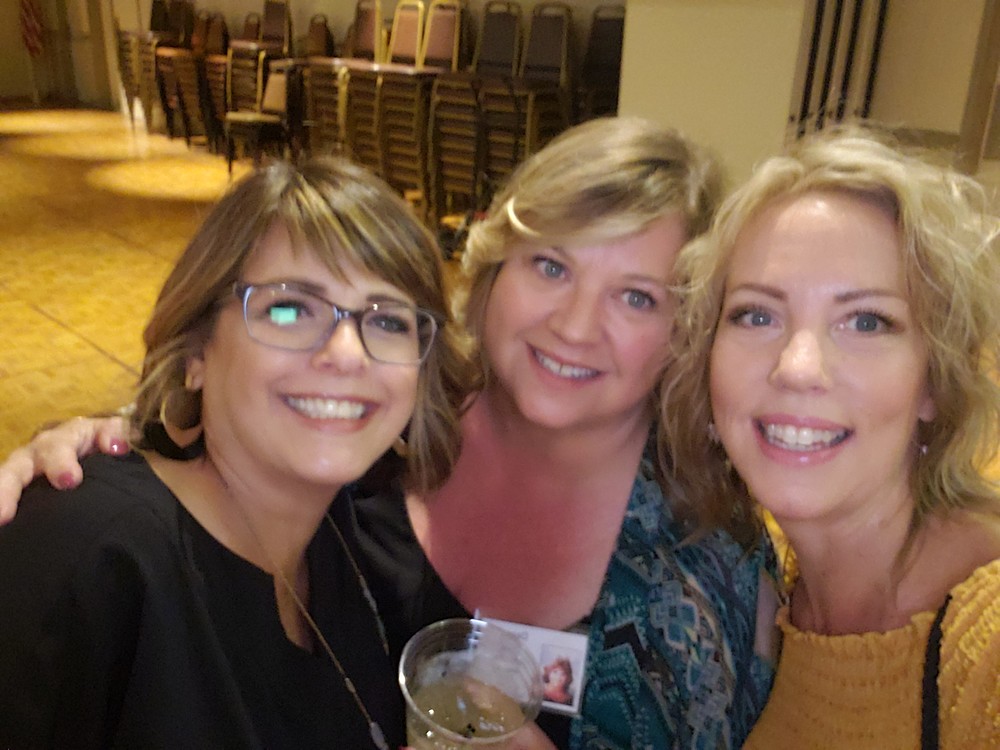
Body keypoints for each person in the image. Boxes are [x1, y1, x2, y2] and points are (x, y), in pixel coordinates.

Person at [0, 117, 777, 749]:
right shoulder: (383, 447)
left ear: (684, 330)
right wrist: (112, 445)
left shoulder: (706, 562)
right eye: (550, 266)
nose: (575, 325)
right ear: (493, 270)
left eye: (637, 297)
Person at [0, 156, 471, 748]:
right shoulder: (83, 554)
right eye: (289, 309)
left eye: (388, 322)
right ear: (196, 351)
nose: (348, 354)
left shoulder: (347, 530)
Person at [664, 127, 1000, 748]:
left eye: (866, 321)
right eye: (756, 314)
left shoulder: (986, 644)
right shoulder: (763, 574)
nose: (798, 368)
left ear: (935, 381)